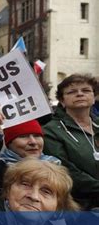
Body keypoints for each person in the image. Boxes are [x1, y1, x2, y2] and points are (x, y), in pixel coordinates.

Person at [42, 74, 99, 209]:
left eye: (86, 90)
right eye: (72, 92)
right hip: (78, 206)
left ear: (94, 97)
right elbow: (65, 169)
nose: (79, 94)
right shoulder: (51, 130)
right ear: (62, 101)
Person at [0, 105, 61, 192]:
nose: (33, 142)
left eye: (37, 136)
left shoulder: (55, 166)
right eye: (23, 137)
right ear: (9, 144)